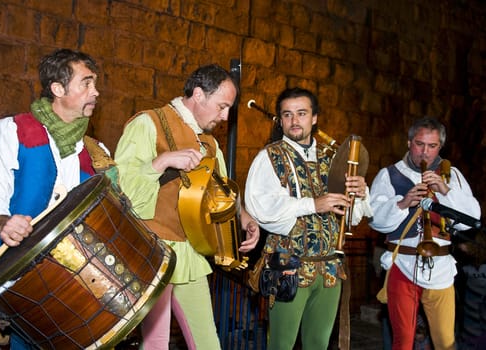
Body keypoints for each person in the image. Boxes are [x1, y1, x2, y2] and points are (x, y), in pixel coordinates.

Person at [113, 64, 260, 349]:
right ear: (198, 95)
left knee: (207, 343)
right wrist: (163, 160)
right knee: (155, 343)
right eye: (222, 106)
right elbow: (121, 188)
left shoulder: (210, 145)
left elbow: (222, 194)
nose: (225, 116)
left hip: (191, 253)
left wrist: (245, 219)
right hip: (153, 249)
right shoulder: (148, 123)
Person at [0, 48, 103, 348]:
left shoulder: (94, 150)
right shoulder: (12, 132)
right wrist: (4, 223)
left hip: (82, 284)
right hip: (25, 283)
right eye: (86, 83)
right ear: (57, 89)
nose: (96, 91)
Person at [244, 87, 372, 350]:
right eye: (287, 115)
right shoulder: (270, 156)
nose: (294, 121)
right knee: (281, 344)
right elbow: (261, 208)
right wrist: (313, 204)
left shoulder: (332, 159)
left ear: (314, 118)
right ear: (280, 120)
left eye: (301, 114)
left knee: (318, 344)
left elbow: (352, 218)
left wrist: (359, 193)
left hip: (329, 270)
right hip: (288, 267)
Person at [368, 116, 481, 350]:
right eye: (420, 144)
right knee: (404, 340)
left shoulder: (453, 175)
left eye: (432, 146)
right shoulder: (388, 175)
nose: (425, 153)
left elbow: (471, 220)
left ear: (440, 147)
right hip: (402, 265)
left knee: (445, 341)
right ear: (409, 143)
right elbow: (374, 220)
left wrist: (445, 190)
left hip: (440, 267)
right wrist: (403, 203)